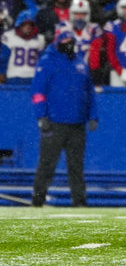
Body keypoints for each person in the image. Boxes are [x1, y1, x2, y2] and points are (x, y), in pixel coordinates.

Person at [30, 29, 98, 207]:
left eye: (71, 41)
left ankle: (79, 201)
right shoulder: (47, 62)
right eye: (66, 41)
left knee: (76, 166)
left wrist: (93, 115)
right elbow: (38, 91)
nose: (69, 44)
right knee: (46, 165)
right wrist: (41, 115)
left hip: (77, 123)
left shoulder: (80, 63)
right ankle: (38, 200)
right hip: (54, 122)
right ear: (58, 42)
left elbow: (89, 91)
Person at [0, 10, 46, 85]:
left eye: (30, 24)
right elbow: (4, 58)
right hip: (14, 76)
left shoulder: (40, 39)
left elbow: (42, 61)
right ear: (19, 24)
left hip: (33, 76)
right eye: (25, 24)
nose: (28, 27)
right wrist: (2, 72)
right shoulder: (9, 36)